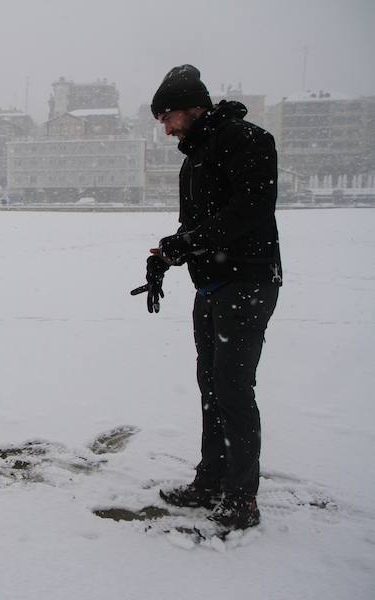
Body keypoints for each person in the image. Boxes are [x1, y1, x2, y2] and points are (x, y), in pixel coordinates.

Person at [131, 65, 283, 530]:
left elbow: (249, 210)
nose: (165, 128)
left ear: (194, 108)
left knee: (234, 389)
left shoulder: (247, 140)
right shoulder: (193, 158)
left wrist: (188, 244)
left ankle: (242, 497)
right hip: (213, 286)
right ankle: (212, 479)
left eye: (168, 117)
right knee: (212, 386)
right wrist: (167, 256)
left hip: (249, 283)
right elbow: (195, 226)